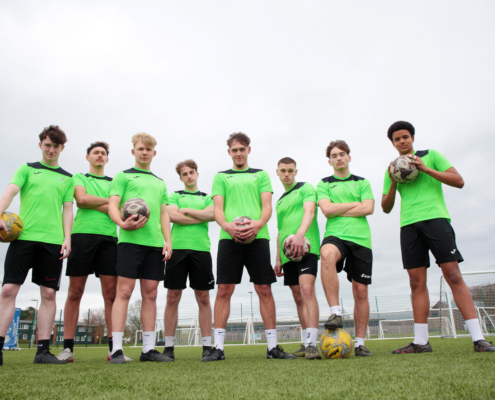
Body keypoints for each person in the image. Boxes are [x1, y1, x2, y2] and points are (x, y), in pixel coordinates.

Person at [381, 121, 495, 353]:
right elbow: (385, 207)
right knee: (416, 282)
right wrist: (393, 182)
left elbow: (458, 181)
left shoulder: (431, 156)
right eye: (397, 139)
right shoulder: (391, 168)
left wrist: (425, 169)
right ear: (393, 144)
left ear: (412, 138)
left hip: (436, 219)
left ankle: (478, 339)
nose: (402, 141)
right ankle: (421, 342)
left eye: (405, 137)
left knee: (453, 274)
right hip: (409, 226)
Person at [202, 132, 295, 361]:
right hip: (228, 239)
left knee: (264, 289)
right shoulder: (221, 177)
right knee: (224, 290)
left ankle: (272, 348)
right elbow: (218, 210)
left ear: (248, 151)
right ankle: (219, 349)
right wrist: (227, 227)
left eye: (242, 149)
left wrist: (258, 225)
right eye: (234, 150)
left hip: (258, 238)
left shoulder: (261, 175)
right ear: (229, 153)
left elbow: (267, 206)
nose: (238, 153)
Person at [0, 125, 74, 365]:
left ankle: (42, 351)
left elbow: (67, 209)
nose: (51, 150)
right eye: (47, 145)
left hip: (53, 242)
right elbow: (10, 192)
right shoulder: (27, 169)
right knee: (8, 290)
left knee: (49, 293)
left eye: (56, 146)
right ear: (40, 145)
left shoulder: (67, 178)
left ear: (62, 148)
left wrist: (67, 238)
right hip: (23, 239)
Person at [57, 142, 132, 362]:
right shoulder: (79, 178)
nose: (99, 156)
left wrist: (107, 205)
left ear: (107, 159)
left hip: (110, 239)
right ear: (88, 157)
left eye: (103, 153)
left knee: (111, 294)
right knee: (75, 291)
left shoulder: (114, 182)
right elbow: (81, 200)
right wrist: (111, 203)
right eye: (95, 153)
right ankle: (68, 349)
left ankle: (113, 349)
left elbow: (120, 209)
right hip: (82, 236)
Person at [107, 132, 173, 364]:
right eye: (140, 148)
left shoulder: (160, 182)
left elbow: (164, 213)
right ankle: (116, 350)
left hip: (154, 245)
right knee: (123, 292)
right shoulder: (122, 177)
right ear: (133, 151)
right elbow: (112, 206)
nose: (144, 152)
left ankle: (148, 350)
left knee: (151, 295)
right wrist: (121, 223)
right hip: (129, 243)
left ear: (154, 153)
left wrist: (168, 241)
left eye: (148, 149)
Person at [317, 140, 374, 357]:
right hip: (336, 235)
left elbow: (369, 208)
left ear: (349, 157)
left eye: (342, 154)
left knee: (361, 291)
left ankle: (359, 343)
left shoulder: (362, 182)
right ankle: (336, 313)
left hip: (361, 239)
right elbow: (327, 210)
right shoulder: (323, 184)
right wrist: (355, 206)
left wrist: (338, 209)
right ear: (329, 160)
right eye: (334, 155)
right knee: (326, 253)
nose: (339, 158)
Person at [163, 159, 215, 361]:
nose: (189, 176)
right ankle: (168, 348)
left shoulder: (207, 197)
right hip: (178, 250)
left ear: (197, 174)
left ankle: (207, 347)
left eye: (192, 172)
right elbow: (173, 216)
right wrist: (200, 216)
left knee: (203, 298)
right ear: (181, 177)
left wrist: (188, 211)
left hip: (201, 250)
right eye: (185, 174)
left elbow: (213, 214)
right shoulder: (174, 195)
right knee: (172, 297)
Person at [274, 157, 321, 359]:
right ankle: (305, 342)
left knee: (307, 289)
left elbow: (310, 212)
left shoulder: (306, 188)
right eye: (283, 170)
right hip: (287, 255)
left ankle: (312, 343)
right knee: (297, 296)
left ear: (296, 171)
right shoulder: (279, 201)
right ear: (277, 172)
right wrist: (277, 258)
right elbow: (280, 230)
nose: (287, 174)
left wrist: (300, 235)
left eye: (290, 170)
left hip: (306, 247)